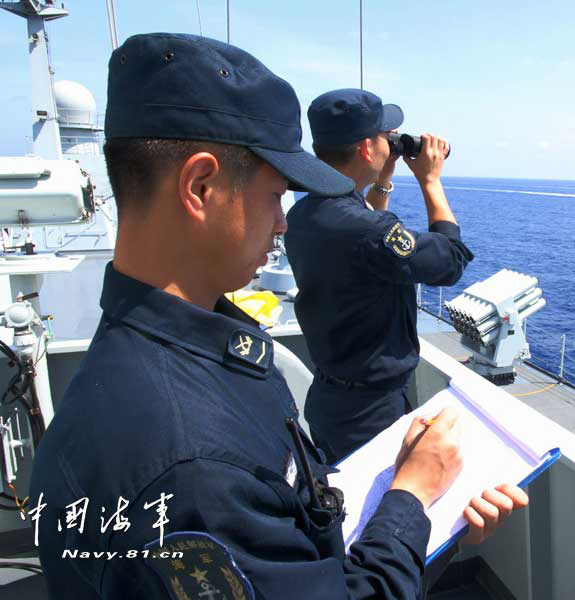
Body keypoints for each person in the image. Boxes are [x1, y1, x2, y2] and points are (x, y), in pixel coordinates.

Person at [28, 33, 526, 600]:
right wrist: (412, 497)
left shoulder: (164, 362)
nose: (283, 224)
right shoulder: (192, 467)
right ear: (201, 186)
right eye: (274, 195)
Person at [284, 88, 473, 464]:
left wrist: (383, 177)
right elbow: (451, 261)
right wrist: (431, 181)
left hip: (331, 400)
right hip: (371, 414)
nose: (392, 145)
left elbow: (367, 238)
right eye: (385, 139)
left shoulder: (302, 215)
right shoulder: (367, 231)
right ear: (366, 149)